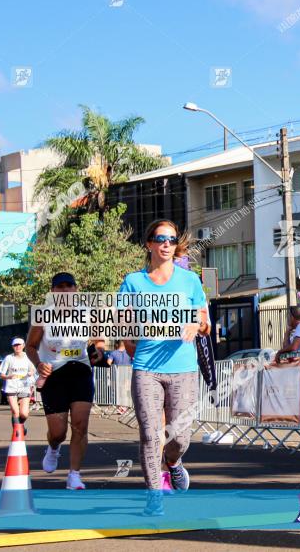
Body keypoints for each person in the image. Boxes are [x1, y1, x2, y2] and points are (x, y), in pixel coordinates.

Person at [119, 219, 209, 515]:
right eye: (161, 238)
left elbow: (206, 323)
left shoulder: (190, 281)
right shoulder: (133, 282)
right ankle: (154, 497)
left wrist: (195, 324)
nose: (167, 243)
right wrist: (128, 336)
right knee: (150, 434)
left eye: (171, 239)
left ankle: (173, 463)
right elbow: (122, 323)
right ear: (150, 244)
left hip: (183, 368)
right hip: (147, 368)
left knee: (179, 437)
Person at [24, 272, 93, 490]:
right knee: (58, 432)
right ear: (53, 291)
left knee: (81, 426)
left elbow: (98, 338)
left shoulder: (88, 313)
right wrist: (38, 364)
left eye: (69, 286)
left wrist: (98, 350)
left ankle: (74, 475)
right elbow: (30, 346)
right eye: (60, 287)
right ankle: (53, 447)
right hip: (54, 375)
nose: (64, 291)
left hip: (80, 371)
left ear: (75, 289)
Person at [0, 338, 36, 432]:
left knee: (24, 414)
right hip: (11, 387)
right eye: (15, 345)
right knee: (15, 412)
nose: (17, 347)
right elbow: (1, 375)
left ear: (23, 346)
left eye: (19, 345)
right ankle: (17, 432)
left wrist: (31, 373)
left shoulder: (29, 357)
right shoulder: (9, 358)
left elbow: (33, 369)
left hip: (24, 386)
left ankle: (21, 424)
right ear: (12, 347)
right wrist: (9, 376)